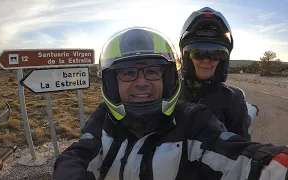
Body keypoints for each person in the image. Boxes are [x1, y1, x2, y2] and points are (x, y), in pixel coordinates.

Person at [53, 27, 288, 180]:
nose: (142, 82)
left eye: (153, 71)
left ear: (167, 78)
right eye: (127, 73)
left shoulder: (193, 120)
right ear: (112, 82)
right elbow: (77, 155)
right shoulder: (105, 117)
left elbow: (244, 157)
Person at [178, 7, 254, 180]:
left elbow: (243, 154)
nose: (206, 60)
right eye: (198, 53)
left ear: (223, 60)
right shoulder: (169, 93)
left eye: (215, 54)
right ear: (187, 57)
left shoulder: (234, 99)